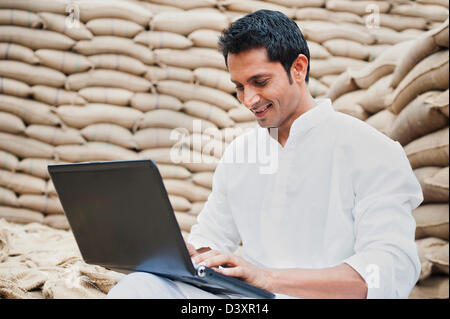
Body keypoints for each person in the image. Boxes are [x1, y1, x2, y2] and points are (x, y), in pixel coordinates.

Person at [107, 10, 423, 299]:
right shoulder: (240, 153)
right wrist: (190, 255)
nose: (249, 99)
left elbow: (387, 271)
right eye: (239, 87)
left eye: (259, 82)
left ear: (298, 68)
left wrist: (268, 278)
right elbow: (213, 238)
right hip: (250, 301)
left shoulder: (372, 150)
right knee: (140, 286)